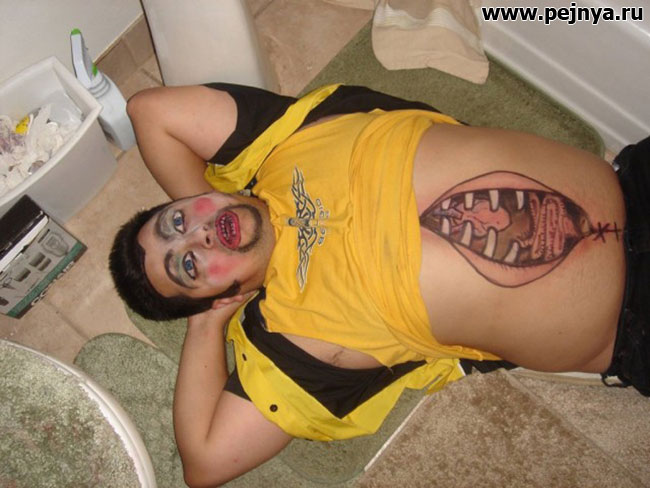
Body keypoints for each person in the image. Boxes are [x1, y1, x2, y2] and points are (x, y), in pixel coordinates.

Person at [110, 82, 648, 487]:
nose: (198, 237)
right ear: (220, 296)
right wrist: (210, 321)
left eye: (176, 222)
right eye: (187, 267)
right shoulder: (291, 342)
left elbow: (149, 110)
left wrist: (220, 212)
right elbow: (204, 464)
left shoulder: (280, 141)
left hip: (637, 182)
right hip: (636, 317)